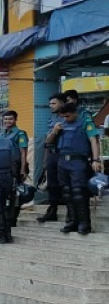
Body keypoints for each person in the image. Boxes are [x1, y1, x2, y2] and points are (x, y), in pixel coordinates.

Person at [53, 103, 102, 235]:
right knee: (66, 193)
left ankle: (84, 224)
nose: (66, 119)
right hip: (62, 160)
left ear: (75, 113)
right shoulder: (60, 124)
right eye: (63, 116)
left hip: (78, 161)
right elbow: (49, 141)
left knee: (79, 193)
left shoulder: (86, 123)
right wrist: (54, 131)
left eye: (68, 116)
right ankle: (71, 222)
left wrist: (96, 160)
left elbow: (93, 141)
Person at [39, 94, 66, 223]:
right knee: (52, 184)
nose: (51, 106)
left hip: (66, 155)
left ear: (62, 103)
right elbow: (48, 140)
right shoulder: (52, 119)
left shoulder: (70, 118)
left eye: (53, 103)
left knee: (67, 184)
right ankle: (52, 210)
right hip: (53, 153)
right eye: (50, 104)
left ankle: (72, 215)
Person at [1, 110, 29, 227]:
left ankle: (12, 219)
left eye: (10, 119)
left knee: (15, 195)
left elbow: (23, 153)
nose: (8, 121)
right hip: (3, 168)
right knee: (3, 194)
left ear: (15, 120)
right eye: (6, 119)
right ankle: (2, 217)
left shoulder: (20, 134)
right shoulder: (2, 134)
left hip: (15, 168)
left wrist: (22, 169)